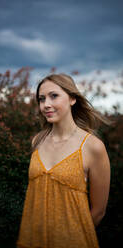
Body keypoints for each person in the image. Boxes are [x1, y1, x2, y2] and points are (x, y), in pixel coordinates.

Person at [16, 73, 111, 248]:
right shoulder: (37, 141)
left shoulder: (93, 147)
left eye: (54, 96)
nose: (46, 105)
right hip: (32, 241)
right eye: (42, 99)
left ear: (72, 99)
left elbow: (98, 212)